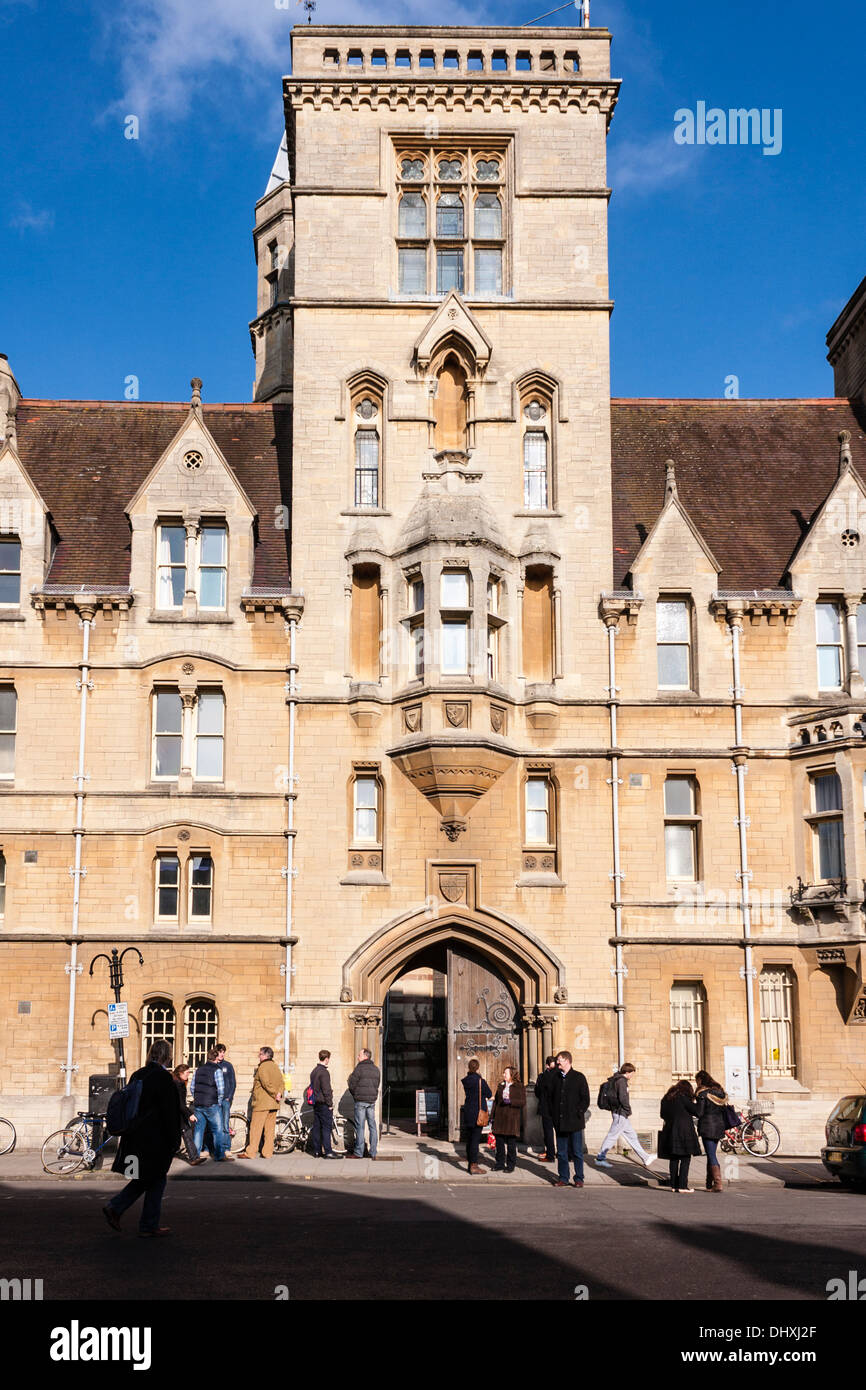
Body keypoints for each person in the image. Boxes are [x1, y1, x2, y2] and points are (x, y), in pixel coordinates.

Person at [102, 1039, 183, 1236]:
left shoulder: (138, 1074)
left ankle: (128, 1213)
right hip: (155, 1139)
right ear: (168, 1056)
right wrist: (175, 1141)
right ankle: (141, 1221)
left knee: (146, 1178)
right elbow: (170, 1114)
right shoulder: (164, 1079)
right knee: (155, 1178)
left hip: (135, 1137)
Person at [595, 1062, 657, 1171]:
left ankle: (645, 1157)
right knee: (612, 1135)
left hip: (619, 1112)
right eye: (632, 1073)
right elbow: (623, 1098)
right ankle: (600, 1157)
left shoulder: (615, 1079)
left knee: (632, 1136)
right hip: (621, 1113)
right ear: (627, 1072)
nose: (632, 1076)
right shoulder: (622, 1081)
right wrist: (628, 1110)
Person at [549, 1051, 590, 1188]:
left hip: (575, 1122)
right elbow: (551, 1099)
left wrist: (578, 1112)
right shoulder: (555, 1078)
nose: (557, 1062)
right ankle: (563, 1178)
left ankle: (579, 1178)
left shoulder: (579, 1077)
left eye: (559, 1060)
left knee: (577, 1152)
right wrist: (553, 1116)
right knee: (561, 1153)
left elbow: (585, 1099)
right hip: (560, 1123)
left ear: (567, 1060)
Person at [237, 1045, 284, 1160]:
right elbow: (282, 1083)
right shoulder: (275, 1067)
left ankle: (250, 1152)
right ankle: (267, 1153)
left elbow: (266, 1083)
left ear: (265, 1055)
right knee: (269, 1130)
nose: (258, 1056)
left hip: (262, 1103)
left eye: (260, 1054)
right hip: (274, 1103)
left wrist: (274, 1093)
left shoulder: (262, 1067)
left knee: (255, 1129)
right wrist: (279, 1094)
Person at [191, 1046, 234, 1162]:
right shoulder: (217, 1070)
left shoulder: (198, 1069)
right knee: (218, 1130)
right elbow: (221, 1089)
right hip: (212, 1104)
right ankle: (219, 1155)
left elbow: (192, 1087)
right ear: (215, 1058)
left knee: (199, 1130)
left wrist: (197, 1098)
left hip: (198, 1104)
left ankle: (195, 1156)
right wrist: (218, 1103)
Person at [659, 1078, 702, 1193]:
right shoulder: (683, 1098)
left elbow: (662, 1114)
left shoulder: (666, 1098)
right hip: (684, 1131)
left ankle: (674, 1185)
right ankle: (682, 1186)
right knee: (685, 1158)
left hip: (670, 1130)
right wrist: (699, 1100)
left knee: (673, 1158)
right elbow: (697, 1111)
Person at [695, 1069, 728, 1192]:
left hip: (707, 1126)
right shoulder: (720, 1092)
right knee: (711, 1154)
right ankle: (709, 1184)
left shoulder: (702, 1094)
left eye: (696, 1080)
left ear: (700, 1080)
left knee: (711, 1155)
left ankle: (718, 1183)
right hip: (719, 1126)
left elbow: (699, 1112)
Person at [346, 1047, 380, 1159]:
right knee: (372, 1126)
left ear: (365, 1056)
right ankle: (373, 1152)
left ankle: (358, 1152)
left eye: (359, 1055)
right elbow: (377, 1084)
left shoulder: (359, 1069)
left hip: (360, 1101)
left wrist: (355, 1095)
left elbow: (352, 1085)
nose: (357, 1057)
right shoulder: (376, 1069)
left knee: (360, 1127)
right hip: (371, 1101)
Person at [491, 1066, 526, 1173]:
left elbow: (522, 1102)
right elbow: (496, 1102)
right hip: (500, 1118)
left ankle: (510, 1165)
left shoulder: (519, 1086)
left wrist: (511, 1101)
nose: (503, 1075)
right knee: (499, 1143)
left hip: (512, 1119)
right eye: (503, 1073)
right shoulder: (501, 1086)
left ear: (512, 1075)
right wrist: (492, 1117)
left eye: (505, 1073)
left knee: (511, 1144)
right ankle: (499, 1164)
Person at [461, 1058, 492, 1174]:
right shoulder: (480, 1081)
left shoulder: (466, 1081)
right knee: (475, 1140)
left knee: (469, 1139)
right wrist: (480, 1077)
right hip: (478, 1113)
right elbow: (489, 1094)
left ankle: (470, 1161)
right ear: (477, 1068)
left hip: (468, 1112)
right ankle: (473, 1165)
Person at [172, 1062, 206, 1165]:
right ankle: (193, 1158)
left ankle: (175, 1152)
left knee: (178, 1135)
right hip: (178, 1115)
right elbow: (180, 1104)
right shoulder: (179, 1085)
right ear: (180, 1073)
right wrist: (189, 1114)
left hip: (174, 1114)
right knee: (187, 1134)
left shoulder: (176, 1082)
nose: (188, 1075)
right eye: (187, 1073)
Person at [309, 1049, 340, 1159]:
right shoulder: (324, 1072)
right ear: (326, 1059)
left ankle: (317, 1151)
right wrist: (330, 1103)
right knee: (326, 1128)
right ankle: (328, 1151)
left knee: (317, 1127)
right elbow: (326, 1090)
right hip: (324, 1103)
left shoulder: (314, 1071)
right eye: (328, 1059)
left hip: (316, 1103)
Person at [533, 1055, 558, 1162]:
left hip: (546, 1107)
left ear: (547, 1065)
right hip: (558, 1108)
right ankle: (567, 1154)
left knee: (548, 1132)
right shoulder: (560, 1075)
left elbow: (537, 1091)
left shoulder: (543, 1076)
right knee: (561, 1132)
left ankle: (550, 1154)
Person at [215, 1043, 236, 1151]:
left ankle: (226, 1148)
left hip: (225, 1100)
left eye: (223, 1052)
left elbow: (233, 1083)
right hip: (214, 1100)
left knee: (224, 1124)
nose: (222, 1054)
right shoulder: (212, 1065)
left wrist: (229, 1097)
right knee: (215, 1125)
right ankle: (217, 1149)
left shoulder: (228, 1065)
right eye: (220, 1052)